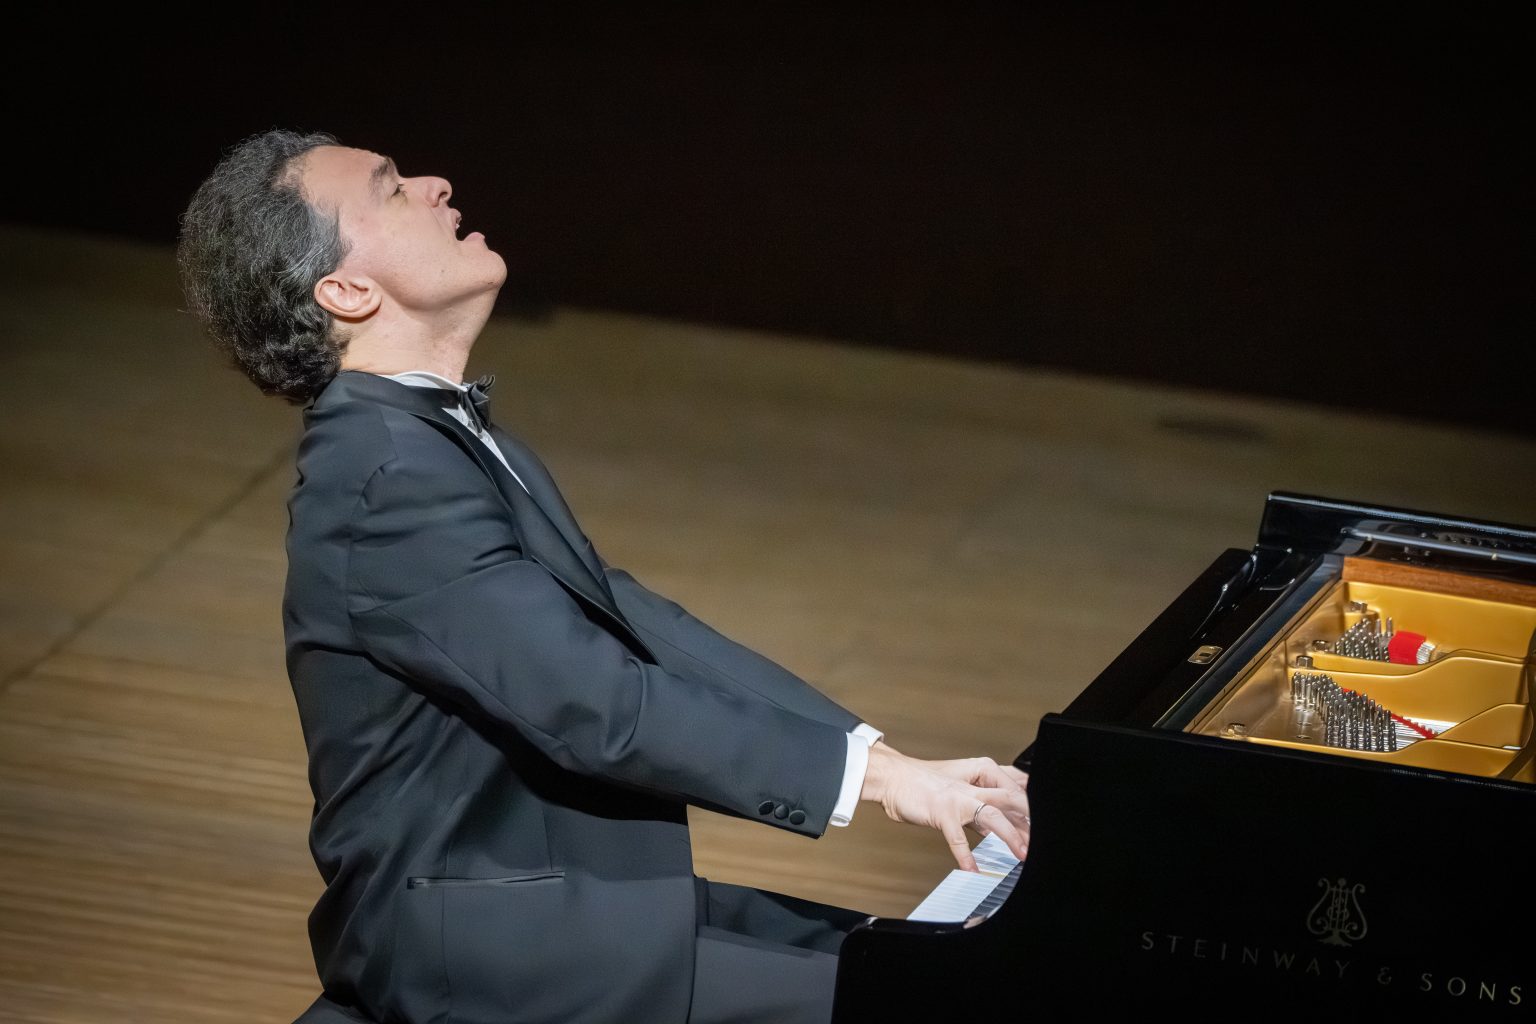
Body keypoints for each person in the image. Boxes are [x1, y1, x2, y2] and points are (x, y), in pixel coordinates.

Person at [177, 129, 1030, 1024]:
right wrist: (878, 787)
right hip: (495, 955)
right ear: (345, 292)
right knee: (928, 1001)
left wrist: (875, 755)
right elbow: (595, 701)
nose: (435, 183)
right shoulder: (388, 475)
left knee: (924, 969)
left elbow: (630, 620)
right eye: (390, 190)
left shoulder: (427, 436)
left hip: (566, 912)